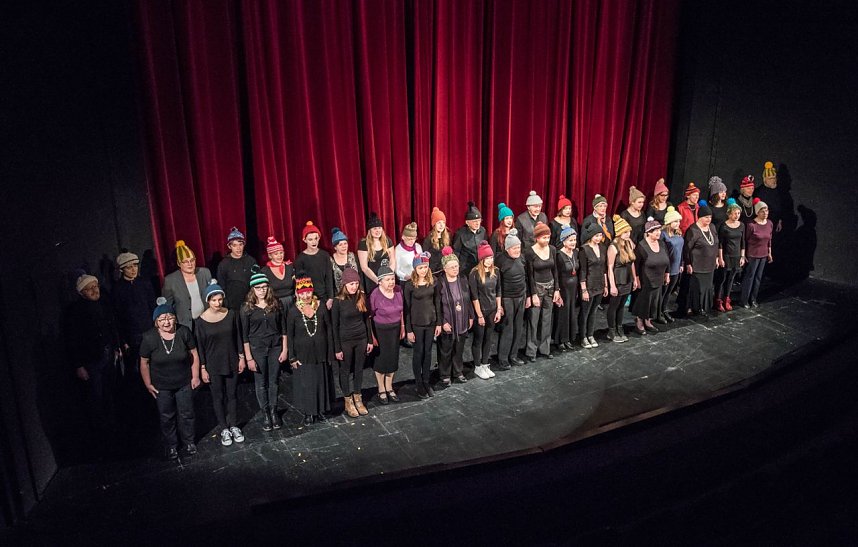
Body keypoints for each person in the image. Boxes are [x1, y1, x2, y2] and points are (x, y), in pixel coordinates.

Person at [140, 297, 200, 461]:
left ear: (175, 318)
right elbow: (144, 362)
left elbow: (194, 353)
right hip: (162, 385)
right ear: (156, 322)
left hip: (183, 381)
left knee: (187, 413)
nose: (166, 322)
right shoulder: (149, 338)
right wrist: (148, 384)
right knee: (167, 416)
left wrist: (195, 376)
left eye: (170, 318)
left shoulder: (183, 332)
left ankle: (189, 441)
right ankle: (172, 445)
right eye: (162, 319)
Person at [64, 274, 122, 443]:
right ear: (82, 292)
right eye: (90, 289)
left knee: (109, 391)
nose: (94, 291)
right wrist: (79, 365)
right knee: (96, 396)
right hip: (91, 360)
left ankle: (113, 427)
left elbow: (111, 326)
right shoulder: (75, 312)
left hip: (107, 354)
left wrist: (116, 347)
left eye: (95, 287)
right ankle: (101, 433)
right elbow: (72, 341)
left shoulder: (103, 304)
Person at [194, 281, 245, 446]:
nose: (218, 303)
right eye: (214, 300)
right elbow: (200, 346)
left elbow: (238, 336)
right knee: (218, 396)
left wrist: (241, 357)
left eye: (220, 299)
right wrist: (203, 367)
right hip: (213, 364)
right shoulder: (200, 322)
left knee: (232, 394)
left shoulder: (231, 314)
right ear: (208, 301)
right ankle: (224, 428)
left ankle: (234, 426)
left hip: (231, 360)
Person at [240, 269, 287, 432]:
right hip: (257, 349)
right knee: (261, 383)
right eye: (258, 287)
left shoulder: (276, 303)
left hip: (275, 346)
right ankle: (265, 413)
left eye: (264, 287)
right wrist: (249, 358)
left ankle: (274, 411)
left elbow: (283, 328)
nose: (262, 290)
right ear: (252, 289)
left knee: (273, 381)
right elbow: (244, 336)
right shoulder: (247, 308)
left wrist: (284, 349)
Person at [287, 274, 335, 426]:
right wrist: (292, 357)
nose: (306, 295)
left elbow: (328, 329)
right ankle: (309, 412)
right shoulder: (293, 311)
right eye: (303, 293)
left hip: (320, 351)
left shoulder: (320, 306)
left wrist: (330, 352)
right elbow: (290, 335)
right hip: (303, 354)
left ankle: (320, 409)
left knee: (321, 380)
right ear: (298, 294)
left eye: (308, 292)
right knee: (307, 383)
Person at [332, 267, 373, 417]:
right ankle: (348, 400)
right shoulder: (338, 302)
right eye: (351, 284)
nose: (354, 286)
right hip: (345, 341)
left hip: (361, 338)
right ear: (344, 285)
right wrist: (337, 348)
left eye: (356, 283)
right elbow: (334, 326)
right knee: (345, 370)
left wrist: (369, 340)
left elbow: (366, 320)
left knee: (359, 369)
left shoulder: (361, 297)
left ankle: (358, 397)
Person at [404, 252, 442, 397]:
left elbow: (437, 303)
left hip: (431, 322)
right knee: (418, 353)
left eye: (425, 267)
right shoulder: (409, 285)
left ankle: (426, 381)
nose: (423, 270)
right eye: (420, 267)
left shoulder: (434, 281)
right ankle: (418, 383)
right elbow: (406, 309)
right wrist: (408, 330)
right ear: (415, 269)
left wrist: (438, 323)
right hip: (416, 324)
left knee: (427, 353)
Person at [112, 251, 155, 376]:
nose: (133, 269)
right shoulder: (117, 289)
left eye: (135, 266)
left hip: (149, 330)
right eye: (129, 267)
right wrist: (123, 340)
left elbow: (152, 306)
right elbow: (118, 317)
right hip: (132, 335)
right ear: (122, 269)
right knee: (137, 368)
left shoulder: (144, 283)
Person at [524, 222, 561, 360]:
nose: (547, 240)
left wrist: (557, 289)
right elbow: (529, 275)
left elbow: (555, 270)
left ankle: (545, 349)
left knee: (547, 320)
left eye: (548, 237)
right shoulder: (529, 252)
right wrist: (533, 294)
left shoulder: (552, 249)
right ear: (537, 238)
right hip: (537, 289)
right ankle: (531, 351)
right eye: (544, 237)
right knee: (533, 321)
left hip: (550, 288)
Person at [436, 247, 473, 386]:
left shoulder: (463, 279)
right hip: (448, 321)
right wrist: (442, 322)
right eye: (452, 267)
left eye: (456, 266)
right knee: (445, 350)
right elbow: (437, 304)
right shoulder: (440, 283)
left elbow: (468, 298)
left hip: (461, 320)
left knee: (459, 348)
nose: (455, 269)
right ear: (445, 268)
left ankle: (457, 371)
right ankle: (444, 374)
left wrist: (470, 315)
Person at [369, 264, 404, 404]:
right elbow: (369, 317)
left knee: (392, 359)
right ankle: (381, 388)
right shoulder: (374, 295)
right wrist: (372, 336)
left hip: (395, 329)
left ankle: (389, 386)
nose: (391, 282)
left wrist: (402, 327)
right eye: (388, 280)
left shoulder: (398, 291)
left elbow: (402, 311)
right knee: (381, 361)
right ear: (380, 281)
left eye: (392, 279)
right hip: (380, 331)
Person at [495, 229, 527, 370]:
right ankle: (503, 358)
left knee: (518, 328)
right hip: (507, 298)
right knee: (508, 329)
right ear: (508, 249)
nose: (517, 250)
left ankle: (513, 355)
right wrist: (500, 304)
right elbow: (498, 285)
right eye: (514, 248)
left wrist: (527, 296)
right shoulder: (501, 261)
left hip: (521, 296)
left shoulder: (522, 258)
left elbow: (526, 277)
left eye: (518, 247)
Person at [631, 218, 670, 335]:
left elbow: (667, 259)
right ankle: (639, 321)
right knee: (644, 301)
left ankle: (648, 321)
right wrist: (636, 279)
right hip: (646, 279)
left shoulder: (662, 244)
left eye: (659, 230)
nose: (658, 233)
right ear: (648, 232)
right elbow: (636, 265)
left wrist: (667, 274)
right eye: (655, 231)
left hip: (659, 278)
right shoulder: (641, 246)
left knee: (654, 301)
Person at [469, 241, 502, 379]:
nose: (490, 260)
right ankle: (477, 366)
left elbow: (499, 291)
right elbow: (474, 296)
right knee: (479, 338)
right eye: (487, 258)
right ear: (482, 259)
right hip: (480, 311)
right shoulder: (475, 273)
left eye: (491, 258)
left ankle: (484, 363)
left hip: (492, 310)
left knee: (489, 338)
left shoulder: (496, 271)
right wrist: (479, 315)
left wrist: (499, 309)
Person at [163, 240, 212, 330]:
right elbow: (168, 306)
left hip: (207, 321)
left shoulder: (204, 273)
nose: (190, 264)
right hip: (185, 325)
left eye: (192, 260)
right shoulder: (170, 280)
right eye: (185, 261)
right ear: (179, 263)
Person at [682, 203, 719, 316]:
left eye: (710, 217)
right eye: (706, 217)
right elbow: (687, 249)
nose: (709, 219)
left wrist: (717, 257)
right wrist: (688, 263)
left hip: (710, 264)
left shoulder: (712, 227)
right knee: (696, 287)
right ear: (700, 217)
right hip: (697, 265)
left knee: (707, 287)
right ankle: (693, 307)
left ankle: (704, 307)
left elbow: (716, 243)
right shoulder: (693, 230)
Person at [606, 216, 637, 342]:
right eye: (624, 232)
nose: (627, 234)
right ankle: (611, 331)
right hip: (618, 279)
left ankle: (620, 328)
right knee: (614, 306)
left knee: (621, 306)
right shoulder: (613, 247)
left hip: (628, 279)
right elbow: (610, 267)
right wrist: (612, 285)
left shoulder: (629, 243)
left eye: (628, 231)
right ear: (619, 233)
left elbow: (632, 263)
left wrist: (635, 279)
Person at [578, 224, 608, 349]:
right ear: (591, 236)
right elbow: (583, 271)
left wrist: (605, 285)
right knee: (585, 312)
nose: (598, 238)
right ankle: (583, 336)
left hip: (599, 284)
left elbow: (604, 268)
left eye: (600, 235)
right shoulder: (584, 250)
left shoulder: (602, 247)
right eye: (596, 235)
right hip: (589, 285)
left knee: (593, 312)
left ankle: (590, 334)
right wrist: (584, 289)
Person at [740, 199, 774, 308]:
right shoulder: (751, 225)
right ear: (757, 212)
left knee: (758, 278)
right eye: (763, 211)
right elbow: (745, 240)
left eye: (767, 211)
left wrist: (769, 253)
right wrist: (744, 254)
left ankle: (753, 299)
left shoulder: (769, 223)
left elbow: (769, 239)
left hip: (763, 255)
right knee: (750, 277)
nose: (766, 213)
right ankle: (744, 300)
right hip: (753, 254)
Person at [294, 221, 335, 311]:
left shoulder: (325, 255)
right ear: (304, 240)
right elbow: (299, 281)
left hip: (325, 296)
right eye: (310, 239)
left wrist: (330, 297)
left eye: (316, 238)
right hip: (309, 298)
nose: (314, 241)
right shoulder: (300, 259)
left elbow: (329, 277)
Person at [216, 227, 257, 310]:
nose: (238, 248)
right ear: (229, 246)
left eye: (240, 244)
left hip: (250, 303)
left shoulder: (251, 261)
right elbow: (221, 285)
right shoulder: (223, 264)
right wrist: (226, 303)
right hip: (232, 305)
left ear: (244, 245)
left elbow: (256, 281)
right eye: (234, 245)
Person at [716, 199, 745, 312]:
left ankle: (726, 299)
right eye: (734, 213)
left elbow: (743, 242)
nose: (736, 215)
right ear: (729, 214)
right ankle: (718, 300)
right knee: (722, 278)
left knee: (731, 279)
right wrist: (721, 258)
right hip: (726, 255)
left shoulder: (741, 225)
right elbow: (720, 243)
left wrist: (742, 256)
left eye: (738, 213)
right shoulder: (724, 226)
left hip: (736, 256)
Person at [553, 225, 579, 351]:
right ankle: (560, 340)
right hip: (563, 288)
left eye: (574, 240)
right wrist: (557, 290)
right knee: (562, 313)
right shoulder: (559, 255)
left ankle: (568, 338)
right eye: (570, 240)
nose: (573, 242)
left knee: (571, 313)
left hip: (573, 288)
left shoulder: (576, 253)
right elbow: (556, 274)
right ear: (564, 241)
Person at [358, 212, 396, 294]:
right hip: (373, 280)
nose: (377, 230)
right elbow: (364, 267)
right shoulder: (363, 244)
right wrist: (378, 281)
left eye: (379, 228)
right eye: (374, 228)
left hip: (387, 280)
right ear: (370, 230)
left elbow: (392, 260)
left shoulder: (387, 241)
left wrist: (389, 277)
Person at [658, 207, 684, 324]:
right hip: (667, 268)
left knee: (669, 292)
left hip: (676, 267)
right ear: (669, 222)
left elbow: (681, 250)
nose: (678, 223)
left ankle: (664, 310)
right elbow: (663, 253)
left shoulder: (678, 233)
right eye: (675, 221)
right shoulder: (663, 235)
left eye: (679, 221)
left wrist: (681, 263)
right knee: (663, 291)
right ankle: (658, 312)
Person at [453, 201, 487, 276]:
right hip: (465, 270)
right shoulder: (460, 233)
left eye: (479, 221)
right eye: (475, 221)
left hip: (480, 268)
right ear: (467, 222)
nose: (477, 223)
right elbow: (456, 252)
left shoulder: (483, 231)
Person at [261, 236, 295, 311]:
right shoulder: (264, 271)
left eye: (281, 253)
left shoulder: (290, 266)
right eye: (276, 254)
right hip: (275, 305)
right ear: (270, 256)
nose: (280, 256)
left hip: (292, 303)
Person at [755, 162, 784, 234]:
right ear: (765, 180)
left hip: (776, 222)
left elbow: (780, 206)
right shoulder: (759, 192)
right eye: (770, 178)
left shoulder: (778, 190)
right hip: (764, 223)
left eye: (774, 178)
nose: (773, 180)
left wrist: (780, 220)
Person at [423, 207, 451, 276]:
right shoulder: (429, 239)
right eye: (439, 223)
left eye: (443, 223)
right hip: (433, 272)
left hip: (445, 270)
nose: (441, 225)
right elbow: (425, 256)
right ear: (434, 224)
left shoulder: (448, 236)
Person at [331, 227, 359, 293]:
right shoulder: (330, 261)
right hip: (339, 295)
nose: (344, 246)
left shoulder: (353, 257)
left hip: (355, 292)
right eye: (340, 245)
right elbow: (330, 281)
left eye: (345, 243)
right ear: (335, 247)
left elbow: (360, 275)